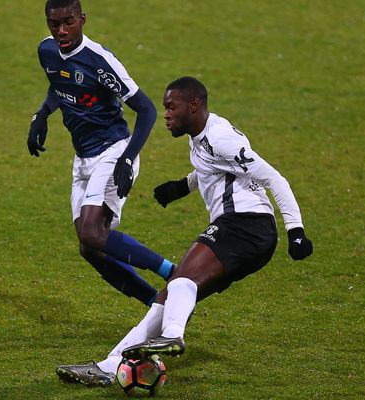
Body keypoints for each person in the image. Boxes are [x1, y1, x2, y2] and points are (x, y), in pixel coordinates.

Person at [55, 76, 313, 387]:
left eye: (170, 107)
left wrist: (295, 230)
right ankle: (109, 366)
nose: (166, 114)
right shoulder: (202, 136)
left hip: (245, 226)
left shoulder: (221, 138)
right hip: (246, 233)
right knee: (167, 299)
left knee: (181, 280)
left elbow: (274, 178)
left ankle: (173, 337)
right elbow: (213, 167)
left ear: (194, 106)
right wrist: (183, 186)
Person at [27, 0, 175, 307]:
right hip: (82, 159)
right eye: (54, 24)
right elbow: (59, 83)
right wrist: (41, 115)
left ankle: (173, 272)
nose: (62, 31)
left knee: (93, 234)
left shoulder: (100, 61)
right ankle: (156, 303)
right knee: (89, 247)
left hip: (114, 150)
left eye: (69, 22)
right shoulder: (47, 51)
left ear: (82, 19)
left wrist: (127, 158)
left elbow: (146, 110)